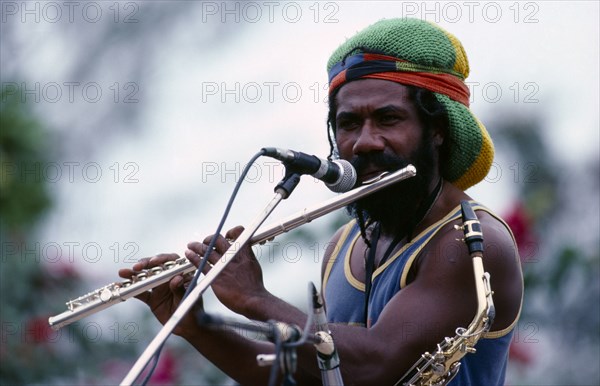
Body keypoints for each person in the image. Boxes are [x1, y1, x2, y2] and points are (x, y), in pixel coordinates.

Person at [119, 18, 523, 385]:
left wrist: (256, 299)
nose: (364, 142)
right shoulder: (345, 245)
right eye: (348, 123)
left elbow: (375, 365)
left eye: (388, 119)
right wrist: (197, 325)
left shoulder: (470, 244)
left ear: (436, 130)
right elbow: (317, 376)